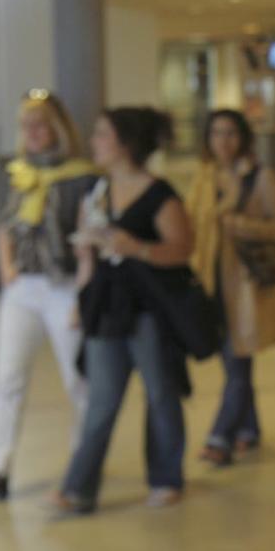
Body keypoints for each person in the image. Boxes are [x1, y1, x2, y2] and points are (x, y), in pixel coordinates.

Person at [0, 89, 97, 500]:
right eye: (26, 126)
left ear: (58, 128)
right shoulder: (16, 173)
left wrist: (83, 294)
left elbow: (89, 235)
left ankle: (82, 465)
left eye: (40, 124)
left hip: (64, 286)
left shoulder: (81, 176)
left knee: (79, 381)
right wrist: (7, 270)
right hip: (22, 289)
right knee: (6, 380)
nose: (33, 133)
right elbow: (3, 224)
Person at [52, 107, 194, 513]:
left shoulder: (160, 195)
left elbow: (182, 249)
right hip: (107, 306)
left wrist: (138, 248)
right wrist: (81, 297)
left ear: (125, 145)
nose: (95, 142)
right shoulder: (96, 192)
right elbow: (87, 258)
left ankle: (166, 476)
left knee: (161, 392)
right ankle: (78, 487)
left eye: (102, 135)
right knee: (102, 398)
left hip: (149, 306)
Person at [187, 109, 275, 465]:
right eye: (216, 133)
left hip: (243, 287)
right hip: (210, 282)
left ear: (243, 138)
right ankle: (249, 428)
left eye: (231, 133)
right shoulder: (204, 179)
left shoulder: (260, 178)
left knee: (238, 360)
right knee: (233, 361)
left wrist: (241, 225)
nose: (223, 141)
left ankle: (221, 437)